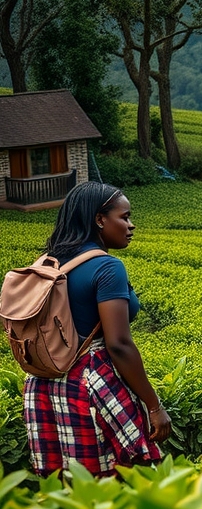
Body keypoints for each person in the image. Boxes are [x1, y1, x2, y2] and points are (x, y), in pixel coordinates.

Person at [21, 182, 170, 477]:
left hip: (42, 386)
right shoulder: (107, 268)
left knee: (66, 484)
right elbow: (119, 344)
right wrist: (154, 406)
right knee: (122, 480)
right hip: (91, 383)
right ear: (100, 220)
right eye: (124, 217)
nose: (131, 225)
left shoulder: (47, 262)